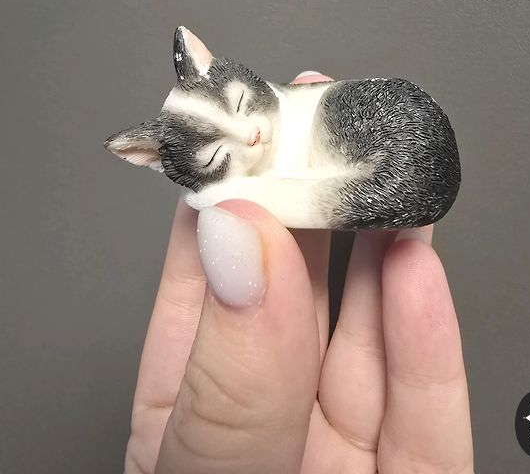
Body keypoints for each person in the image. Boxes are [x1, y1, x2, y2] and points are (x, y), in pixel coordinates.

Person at [124, 72, 474, 474]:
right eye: (215, 155)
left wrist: (236, 191)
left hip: (399, 146)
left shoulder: (291, 114)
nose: (251, 135)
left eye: (240, 104)